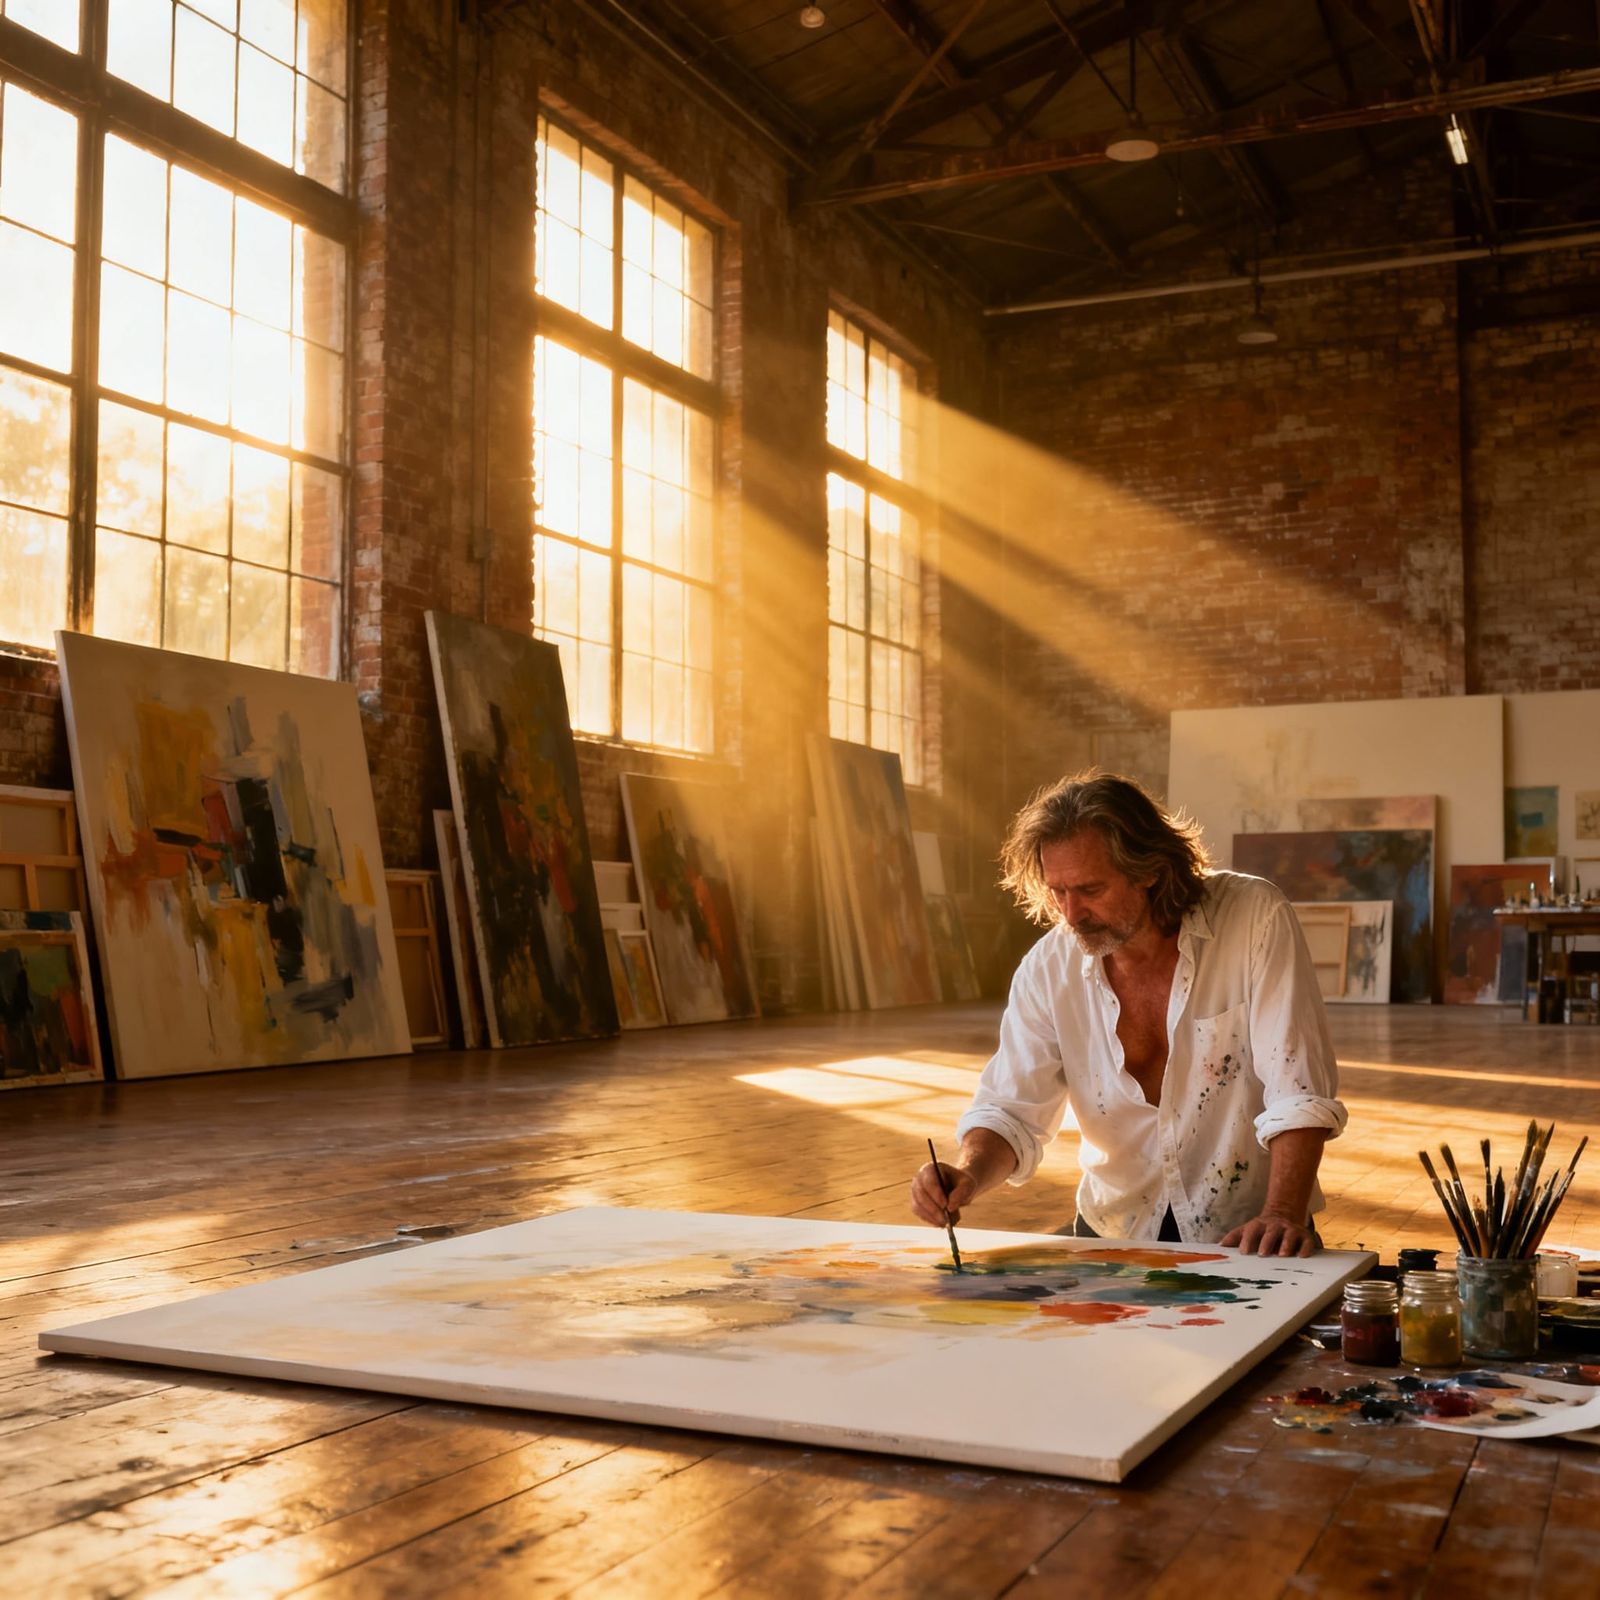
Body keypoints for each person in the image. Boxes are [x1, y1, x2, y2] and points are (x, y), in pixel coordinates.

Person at [910, 772, 1347, 1257]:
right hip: (1113, 1230)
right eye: (1058, 892)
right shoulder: (1048, 968)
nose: (1072, 914)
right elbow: (1011, 1108)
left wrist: (1283, 1213)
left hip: (1253, 1236)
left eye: (1091, 889)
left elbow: (1297, 1088)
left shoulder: (1252, 919)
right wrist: (967, 1172)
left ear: (1150, 868)